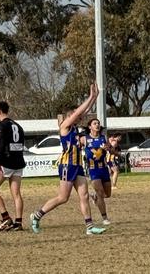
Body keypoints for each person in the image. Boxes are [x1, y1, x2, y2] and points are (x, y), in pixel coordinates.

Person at [30, 83, 106, 235]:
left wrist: (94, 98)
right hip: (67, 165)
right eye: (75, 115)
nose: (79, 116)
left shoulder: (76, 129)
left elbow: (83, 111)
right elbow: (80, 111)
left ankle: (89, 227)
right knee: (63, 198)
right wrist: (90, 97)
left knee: (84, 195)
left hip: (77, 165)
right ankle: (37, 215)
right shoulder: (64, 126)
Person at [0, 101, 26, 232]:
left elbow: (1, 144)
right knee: (16, 194)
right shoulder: (18, 126)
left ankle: (6, 218)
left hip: (6, 162)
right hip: (18, 162)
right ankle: (18, 222)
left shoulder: (1, 125)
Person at [82, 118, 112, 225]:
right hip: (93, 170)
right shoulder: (85, 139)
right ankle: (105, 218)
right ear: (90, 126)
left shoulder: (104, 138)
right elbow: (75, 146)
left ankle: (95, 197)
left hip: (104, 169)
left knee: (107, 194)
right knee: (100, 192)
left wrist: (108, 147)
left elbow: (110, 149)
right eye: (95, 123)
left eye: (98, 123)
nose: (97, 125)